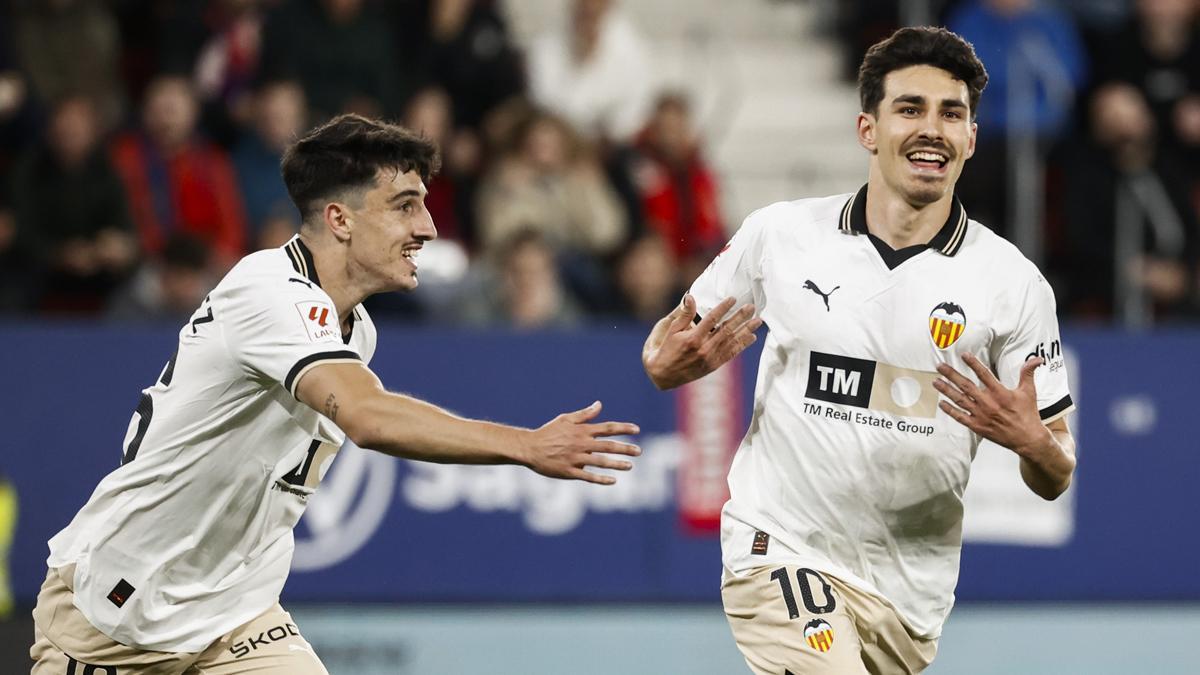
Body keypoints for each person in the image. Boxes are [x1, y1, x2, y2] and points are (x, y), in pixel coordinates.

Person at [31, 114, 641, 673]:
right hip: (116, 612)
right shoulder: (267, 291)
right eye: (405, 206)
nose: (427, 228)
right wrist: (525, 445)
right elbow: (369, 417)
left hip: (235, 612)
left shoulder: (358, 329)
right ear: (340, 219)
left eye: (425, 207)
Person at [641, 27, 1077, 675]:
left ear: (971, 140)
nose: (932, 128)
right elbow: (664, 342)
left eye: (951, 114)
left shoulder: (1013, 283)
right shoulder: (780, 236)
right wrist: (664, 363)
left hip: (910, 593)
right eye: (910, 109)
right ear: (867, 130)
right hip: (780, 547)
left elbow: (1057, 467)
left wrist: (1032, 442)